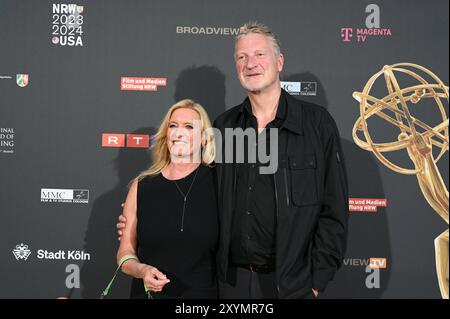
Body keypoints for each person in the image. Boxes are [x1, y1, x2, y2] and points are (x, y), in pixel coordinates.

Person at [118, 21, 349, 299]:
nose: (250, 63)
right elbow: (198, 188)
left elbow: (334, 208)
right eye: (242, 57)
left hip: (292, 284)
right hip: (230, 283)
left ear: (279, 61)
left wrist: (316, 281)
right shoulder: (225, 127)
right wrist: (142, 211)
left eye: (259, 54)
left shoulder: (316, 125)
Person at [116, 99, 219, 299]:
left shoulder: (220, 183)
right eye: (173, 126)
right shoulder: (142, 186)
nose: (178, 133)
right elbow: (124, 253)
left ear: (204, 139)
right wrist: (142, 270)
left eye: (189, 127)